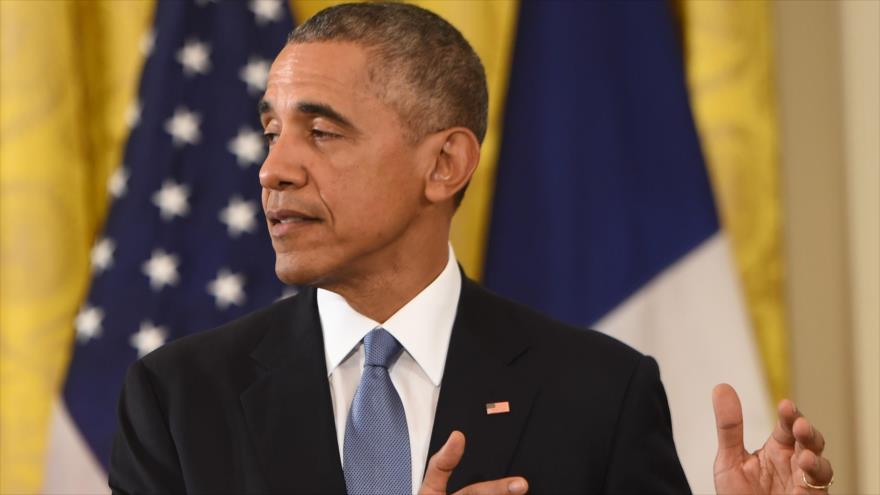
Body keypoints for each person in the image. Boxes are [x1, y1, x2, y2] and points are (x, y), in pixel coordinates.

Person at [109, 3, 835, 494]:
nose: (273, 168)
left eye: (322, 132)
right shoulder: (177, 400)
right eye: (272, 132)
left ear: (445, 164)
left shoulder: (599, 393)